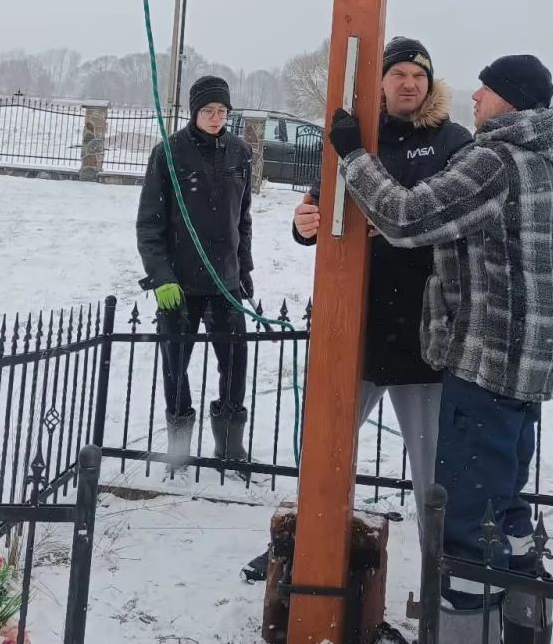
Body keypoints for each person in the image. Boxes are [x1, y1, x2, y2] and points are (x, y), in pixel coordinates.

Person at [328, 53, 553, 643]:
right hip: (528, 369)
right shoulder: (549, 163)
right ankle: (519, 626)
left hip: (486, 368)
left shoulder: (495, 161)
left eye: (485, 91)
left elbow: (407, 219)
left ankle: (463, 633)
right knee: (506, 513)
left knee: (465, 528)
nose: (475, 99)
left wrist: (354, 158)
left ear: (509, 101)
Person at [240, 36, 472, 582]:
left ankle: (444, 577)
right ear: (381, 83)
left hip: (423, 333)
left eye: (419, 74)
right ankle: (299, 547)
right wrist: (305, 224)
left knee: (432, 472)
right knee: (323, 454)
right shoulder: (354, 136)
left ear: (431, 83)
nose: (409, 83)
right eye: (398, 75)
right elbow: (322, 206)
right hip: (356, 328)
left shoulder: (452, 142)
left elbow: (434, 219)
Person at [136, 75, 256, 482]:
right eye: (208, 110)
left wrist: (246, 269)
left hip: (225, 281)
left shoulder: (241, 152)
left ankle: (229, 444)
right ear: (194, 112)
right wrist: (161, 276)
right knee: (175, 366)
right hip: (180, 285)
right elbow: (149, 225)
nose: (216, 117)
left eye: (222, 111)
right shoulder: (168, 154)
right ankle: (179, 443)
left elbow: (243, 220)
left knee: (235, 363)